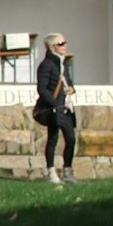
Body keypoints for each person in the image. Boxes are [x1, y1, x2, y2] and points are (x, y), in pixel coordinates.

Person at [35, 33, 77, 185]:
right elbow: (42, 88)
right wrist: (54, 102)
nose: (65, 45)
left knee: (71, 139)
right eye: (61, 43)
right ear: (53, 47)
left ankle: (67, 171)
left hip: (65, 107)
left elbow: (68, 81)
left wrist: (72, 89)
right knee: (53, 138)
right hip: (54, 108)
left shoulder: (62, 63)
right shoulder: (46, 65)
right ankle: (51, 171)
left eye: (65, 42)